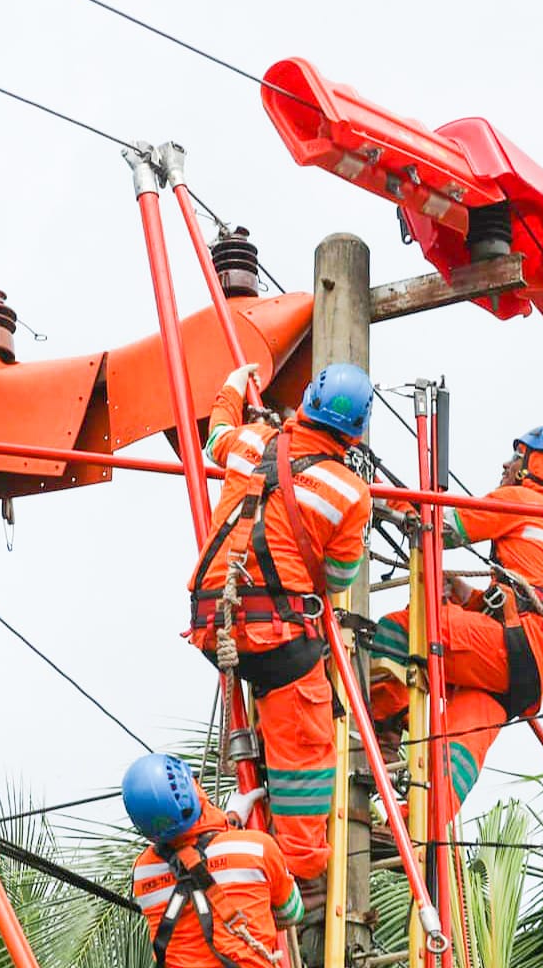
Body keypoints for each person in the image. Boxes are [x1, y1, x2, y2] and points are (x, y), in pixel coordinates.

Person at [188, 362, 373, 883]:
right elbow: (337, 577)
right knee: (307, 740)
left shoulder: (250, 442)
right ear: (356, 431)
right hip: (276, 638)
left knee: (280, 690)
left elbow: (216, 436)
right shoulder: (350, 493)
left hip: (212, 621)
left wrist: (230, 384)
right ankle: (297, 869)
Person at [369, 425, 543, 815]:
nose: (506, 464)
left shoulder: (521, 501)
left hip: (512, 646)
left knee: (400, 629)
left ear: (539, 463)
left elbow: (438, 524)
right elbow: (529, 601)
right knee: (459, 740)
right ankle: (415, 824)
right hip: (530, 674)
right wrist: (468, 596)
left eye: (518, 456)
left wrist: (373, 491)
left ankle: (380, 736)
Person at [125, 753, 304, 967]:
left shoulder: (142, 873)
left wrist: (231, 822)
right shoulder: (257, 848)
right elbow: (291, 913)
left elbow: (193, 855)